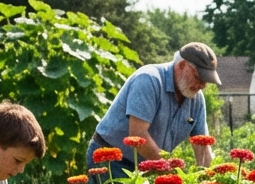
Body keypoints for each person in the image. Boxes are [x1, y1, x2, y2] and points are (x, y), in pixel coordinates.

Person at [88, 42, 220, 176]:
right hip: (113, 160)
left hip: (149, 166)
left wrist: (204, 178)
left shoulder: (196, 98)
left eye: (206, 81)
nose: (202, 85)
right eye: (198, 78)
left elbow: (203, 146)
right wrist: (171, 173)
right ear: (182, 65)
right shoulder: (149, 79)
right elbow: (138, 134)